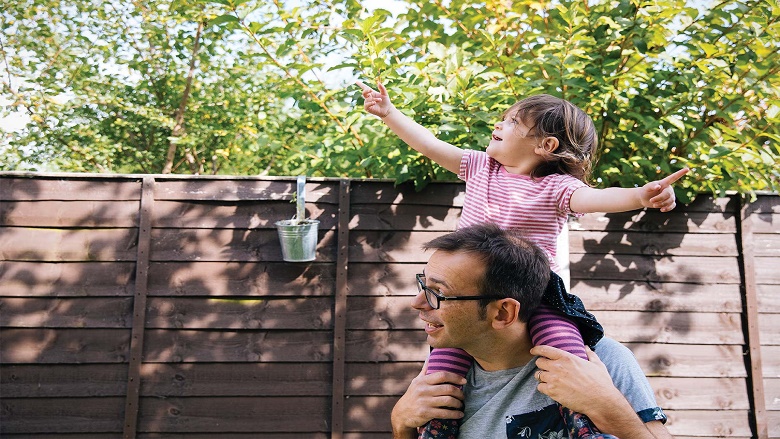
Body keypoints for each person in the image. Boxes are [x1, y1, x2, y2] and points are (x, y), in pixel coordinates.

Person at [357, 80, 687, 437]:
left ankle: (583, 426)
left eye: (512, 122)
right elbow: (431, 145)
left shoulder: (557, 188)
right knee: (439, 384)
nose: (498, 124)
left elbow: (599, 199)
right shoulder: (481, 167)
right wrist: (389, 114)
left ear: (547, 145)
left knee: (566, 358)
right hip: (481, 288)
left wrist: (642, 196)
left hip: (539, 296)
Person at [390, 223, 672, 438]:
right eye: (423, 285)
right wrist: (401, 422)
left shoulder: (600, 363)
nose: (417, 303)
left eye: (438, 293)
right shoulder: (440, 378)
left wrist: (609, 408)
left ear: (503, 313)